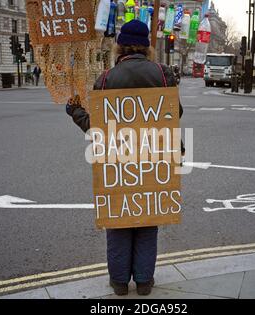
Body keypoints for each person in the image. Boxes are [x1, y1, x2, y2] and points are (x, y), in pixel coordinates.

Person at [65, 20, 183, 296]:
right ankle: (143, 281)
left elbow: (96, 126)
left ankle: (119, 282)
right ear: (147, 47)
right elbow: (174, 113)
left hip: (116, 158)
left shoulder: (106, 79)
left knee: (119, 219)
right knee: (147, 219)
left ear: (120, 46)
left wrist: (75, 112)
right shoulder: (164, 74)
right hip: (154, 155)